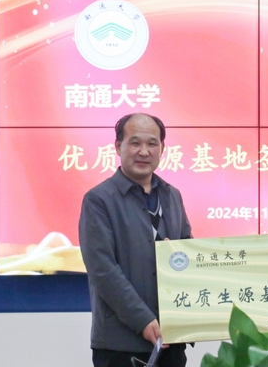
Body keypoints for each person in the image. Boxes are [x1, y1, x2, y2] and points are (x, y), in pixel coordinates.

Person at [79, 113, 192, 367]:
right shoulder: (99, 200)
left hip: (171, 340)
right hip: (120, 345)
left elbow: (188, 254)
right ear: (118, 146)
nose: (144, 151)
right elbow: (103, 270)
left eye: (152, 143)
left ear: (162, 148)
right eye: (135, 143)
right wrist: (142, 320)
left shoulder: (172, 195)